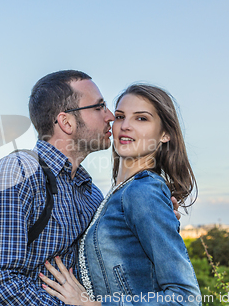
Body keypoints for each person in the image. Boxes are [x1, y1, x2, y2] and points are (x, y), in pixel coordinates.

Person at [0, 71, 180, 305]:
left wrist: (152, 217)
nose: (110, 116)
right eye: (99, 107)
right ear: (66, 122)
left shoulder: (90, 193)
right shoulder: (17, 173)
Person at [39, 84, 202, 305]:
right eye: (120, 116)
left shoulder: (144, 191)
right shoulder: (114, 194)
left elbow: (186, 298)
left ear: (165, 134)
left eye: (141, 118)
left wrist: (92, 304)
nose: (125, 126)